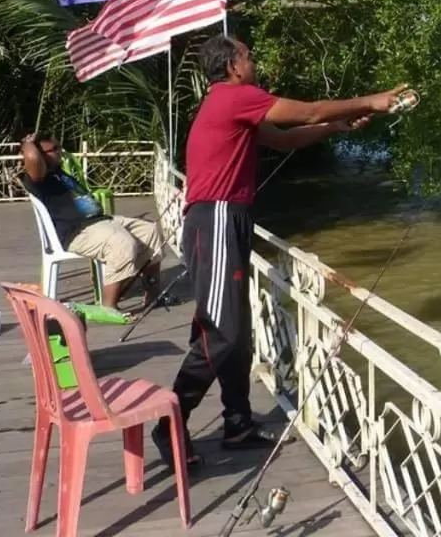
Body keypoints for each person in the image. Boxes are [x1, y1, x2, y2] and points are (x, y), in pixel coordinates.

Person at [151, 34, 406, 471]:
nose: (254, 62)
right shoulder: (234, 96)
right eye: (248, 56)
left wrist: (335, 126)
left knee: (237, 329)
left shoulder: (234, 105)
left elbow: (286, 140)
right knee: (221, 332)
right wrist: (374, 100)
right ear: (232, 66)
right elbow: (305, 110)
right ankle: (168, 422)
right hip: (214, 220)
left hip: (229, 219)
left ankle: (238, 423)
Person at [20, 133, 165, 313]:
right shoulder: (37, 179)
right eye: (54, 150)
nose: (60, 152)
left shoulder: (58, 173)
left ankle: (153, 295)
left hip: (99, 221)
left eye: (59, 147)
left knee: (149, 231)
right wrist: (27, 144)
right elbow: (32, 158)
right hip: (77, 231)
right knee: (121, 243)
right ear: (40, 155)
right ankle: (108, 307)